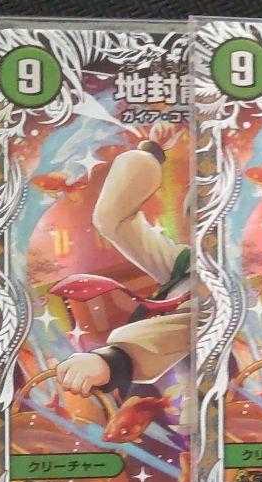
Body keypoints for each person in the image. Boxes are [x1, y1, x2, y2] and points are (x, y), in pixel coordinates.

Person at [54, 122, 190, 404]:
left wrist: (112, 360)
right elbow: (116, 220)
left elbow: (188, 324)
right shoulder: (183, 262)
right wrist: (152, 152)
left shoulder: (223, 286)